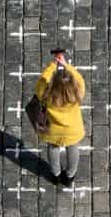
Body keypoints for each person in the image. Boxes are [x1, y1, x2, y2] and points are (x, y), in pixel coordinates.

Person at [35, 50, 85, 187]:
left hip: (53, 130)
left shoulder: (46, 94)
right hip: (72, 130)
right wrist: (66, 65)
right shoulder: (78, 91)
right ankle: (70, 176)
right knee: (73, 148)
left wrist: (52, 65)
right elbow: (80, 79)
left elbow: (40, 83)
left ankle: (55, 174)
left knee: (53, 148)